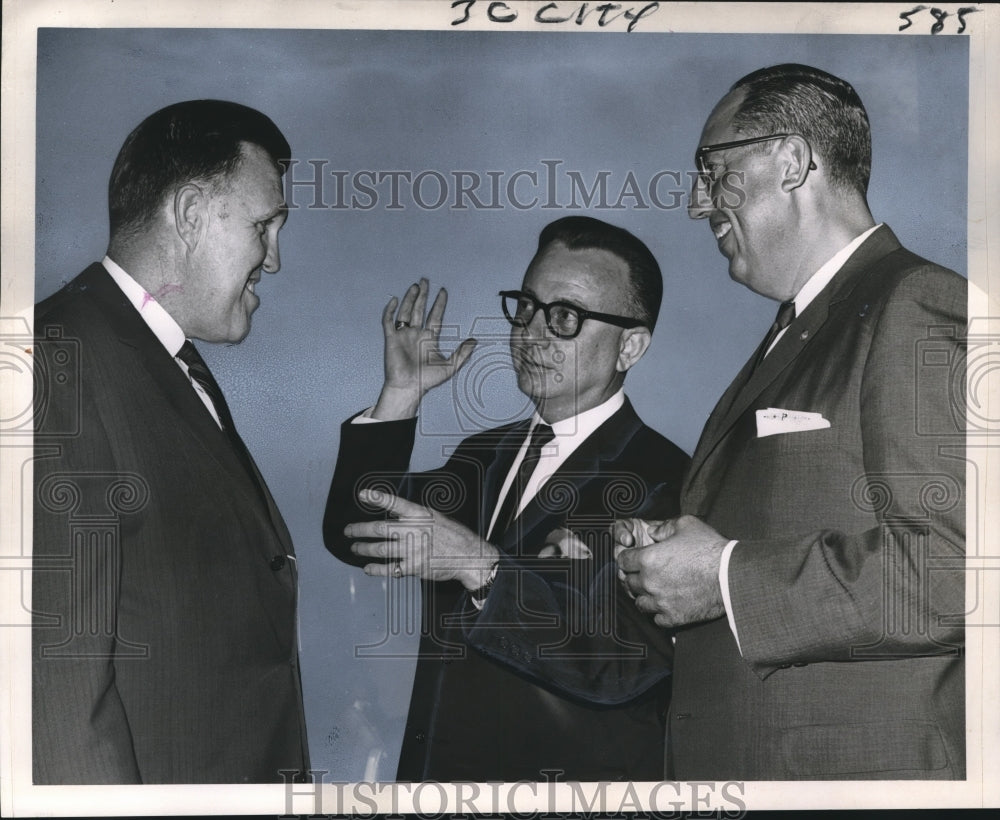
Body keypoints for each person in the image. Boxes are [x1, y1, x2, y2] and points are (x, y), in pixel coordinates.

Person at [615, 64, 966, 779]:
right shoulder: (803, 327)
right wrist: (666, 561)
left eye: (714, 169)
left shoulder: (916, 302)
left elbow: (955, 571)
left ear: (794, 161)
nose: (695, 202)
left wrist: (725, 576)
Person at [323, 216, 688, 782]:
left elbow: (621, 659)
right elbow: (356, 527)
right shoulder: (484, 453)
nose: (531, 334)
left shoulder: (668, 481)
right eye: (526, 307)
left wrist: (476, 563)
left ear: (630, 346)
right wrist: (400, 395)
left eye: (565, 317)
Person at [32, 100, 309, 783]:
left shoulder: (155, 360)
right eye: (264, 226)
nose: (273, 260)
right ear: (189, 213)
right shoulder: (57, 362)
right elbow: (58, 692)